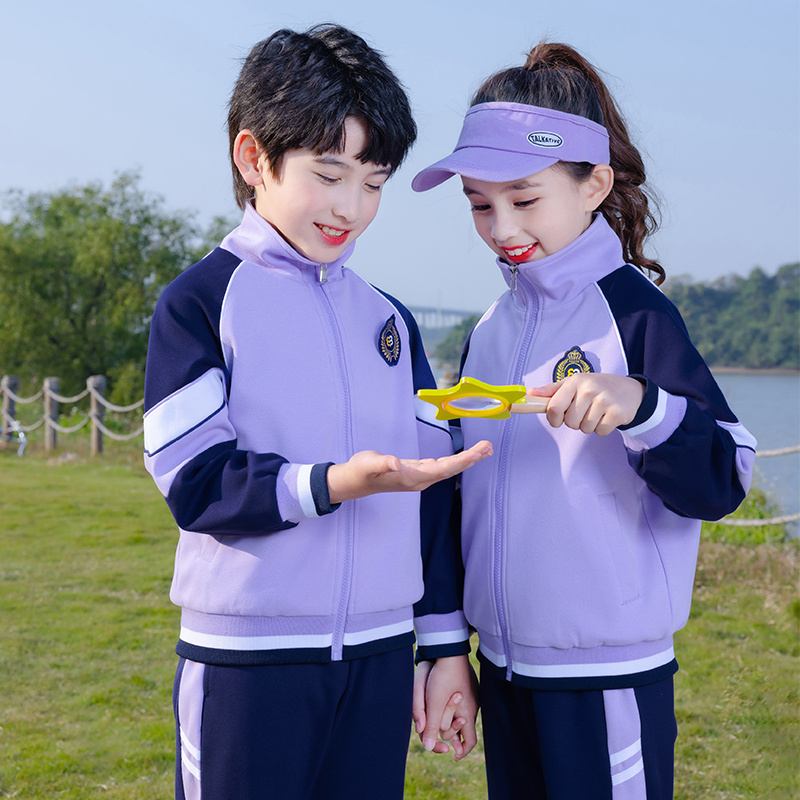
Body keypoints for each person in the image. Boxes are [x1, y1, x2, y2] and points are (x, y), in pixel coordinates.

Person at [143, 24, 489, 800]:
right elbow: (196, 482)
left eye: (373, 182)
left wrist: (440, 649)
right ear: (253, 157)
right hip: (245, 663)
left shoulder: (392, 322)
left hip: (376, 657)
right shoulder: (199, 304)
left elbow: (430, 496)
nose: (351, 208)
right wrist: (331, 483)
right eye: (329, 174)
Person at [412, 41, 756, 799]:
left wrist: (645, 407)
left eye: (524, 198)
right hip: (502, 673)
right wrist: (442, 649)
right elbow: (450, 495)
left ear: (594, 184)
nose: (501, 227)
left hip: (607, 679)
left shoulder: (635, 314)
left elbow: (726, 474)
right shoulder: (491, 329)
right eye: (478, 203)